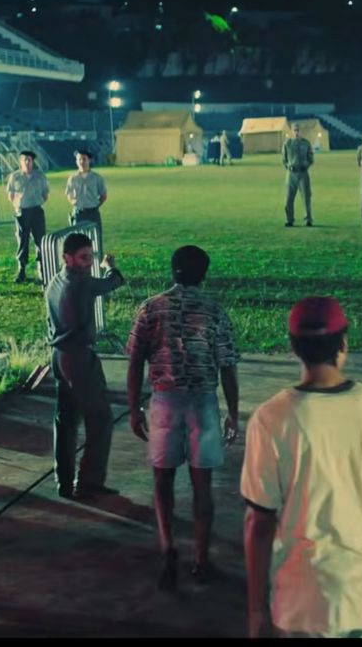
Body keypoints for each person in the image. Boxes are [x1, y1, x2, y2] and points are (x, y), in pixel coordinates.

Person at [242, 297, 362, 638]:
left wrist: (257, 608)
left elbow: (259, 522)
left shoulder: (272, 417)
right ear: (344, 343)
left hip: (306, 600)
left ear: (293, 346)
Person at [126, 245, 241, 590]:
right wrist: (233, 413)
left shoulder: (150, 308)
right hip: (203, 403)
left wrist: (134, 408)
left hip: (164, 402)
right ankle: (202, 559)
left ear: (172, 269)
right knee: (201, 485)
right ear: (203, 274)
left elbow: (134, 362)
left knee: (162, 482)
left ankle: (167, 549)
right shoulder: (214, 311)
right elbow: (227, 367)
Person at [46, 232, 125, 499]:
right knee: (100, 420)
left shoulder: (54, 283)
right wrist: (110, 266)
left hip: (59, 356)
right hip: (79, 358)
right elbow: (112, 283)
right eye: (83, 258)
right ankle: (89, 481)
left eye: (90, 257)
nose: (89, 262)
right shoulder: (82, 283)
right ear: (67, 258)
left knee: (65, 421)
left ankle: (64, 481)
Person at [6, 150, 49, 284]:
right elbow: (10, 194)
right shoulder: (15, 177)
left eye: (29, 159)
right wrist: (18, 204)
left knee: (40, 241)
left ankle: (42, 270)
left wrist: (36, 202)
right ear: (20, 161)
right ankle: (21, 270)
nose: (26, 162)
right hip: (22, 212)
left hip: (36, 211)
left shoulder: (40, 176)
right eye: (24, 159)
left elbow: (45, 194)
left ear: (32, 161)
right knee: (22, 241)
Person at [65, 149, 108, 239]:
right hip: (78, 213)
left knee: (96, 239)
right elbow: (69, 194)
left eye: (84, 159)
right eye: (79, 159)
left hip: (93, 213)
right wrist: (74, 202)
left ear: (89, 160)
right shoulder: (73, 178)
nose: (81, 162)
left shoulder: (97, 178)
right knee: (78, 239)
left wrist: (95, 204)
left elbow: (103, 195)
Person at [282, 123, 314, 227]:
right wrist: (288, 166)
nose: (296, 132)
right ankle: (289, 219)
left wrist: (306, 165)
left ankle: (308, 219)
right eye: (295, 130)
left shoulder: (306, 143)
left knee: (306, 197)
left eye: (298, 130)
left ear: (301, 131)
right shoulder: (287, 143)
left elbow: (311, 158)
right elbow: (284, 159)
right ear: (291, 131)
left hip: (303, 173)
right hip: (291, 174)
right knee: (288, 198)